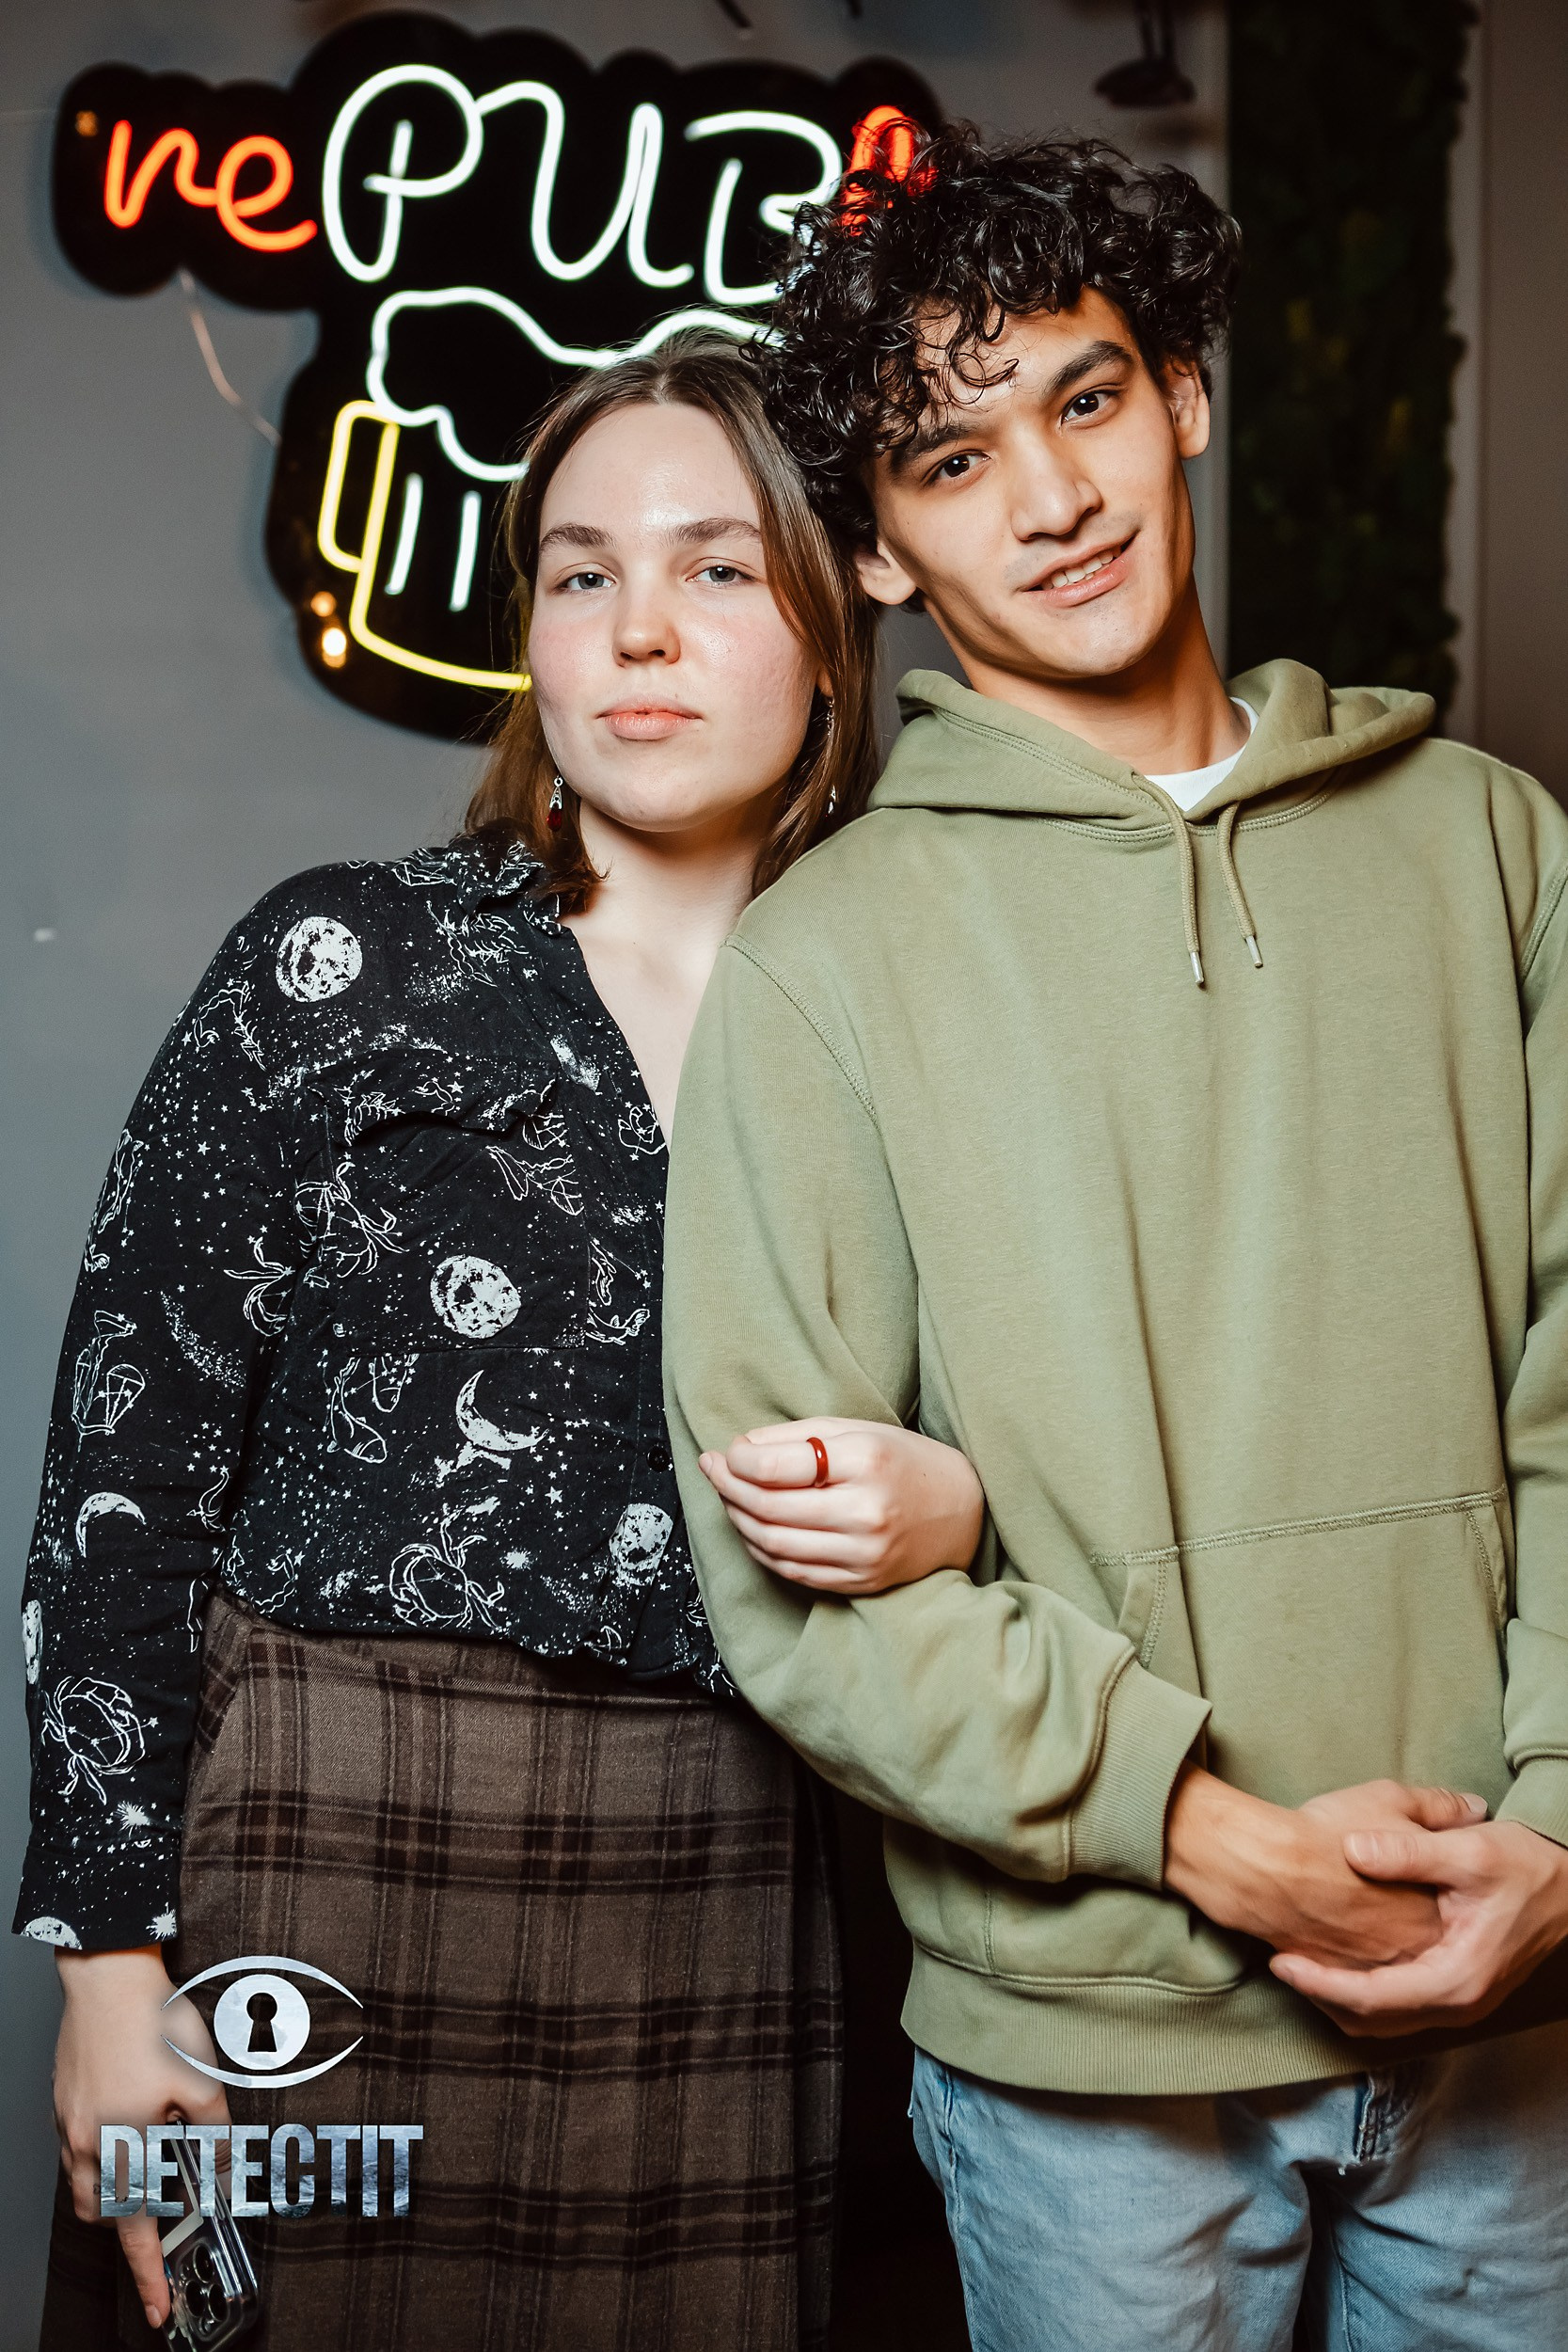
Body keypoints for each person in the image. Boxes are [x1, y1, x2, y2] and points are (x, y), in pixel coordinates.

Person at [663, 133, 1568, 2350]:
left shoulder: (1494, 850)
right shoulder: (823, 962)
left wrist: (1563, 1827)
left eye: (1085, 399)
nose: (1054, 498)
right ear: (877, 551)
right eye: (953, 459)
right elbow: (787, 1569)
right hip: (1090, 2073)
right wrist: (1201, 1825)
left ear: (1181, 395)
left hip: (1510, 1993)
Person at [19, 334, 987, 2352]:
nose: (640, 627)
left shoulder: (922, 1012)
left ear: (833, 628)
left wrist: (957, 1503)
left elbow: (1070, 1448)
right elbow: (122, 1473)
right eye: (580, 570)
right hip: (325, 1835)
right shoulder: (341, 959)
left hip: (740, 1846)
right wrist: (109, 1961)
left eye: (718, 567)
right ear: (530, 635)